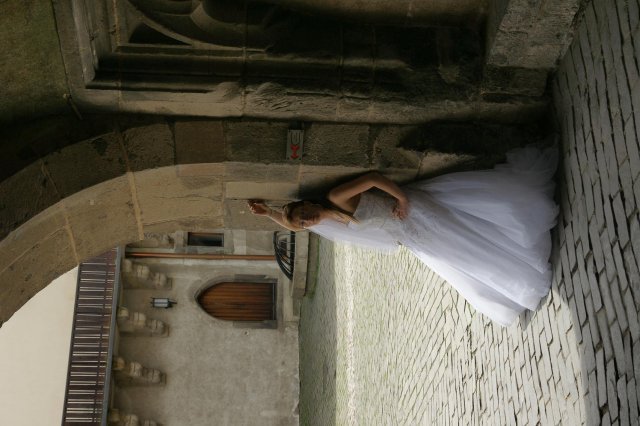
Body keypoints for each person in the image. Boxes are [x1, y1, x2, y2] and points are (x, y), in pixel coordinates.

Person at [248, 145, 559, 326]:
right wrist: (270, 213)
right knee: (461, 261)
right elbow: (291, 224)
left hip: (415, 213)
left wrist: (402, 199)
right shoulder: (328, 222)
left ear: (309, 203)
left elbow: (373, 178)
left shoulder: (337, 198)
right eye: (304, 223)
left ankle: (521, 252)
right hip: (412, 237)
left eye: (304, 213)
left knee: (466, 238)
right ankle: (513, 280)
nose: (307, 220)